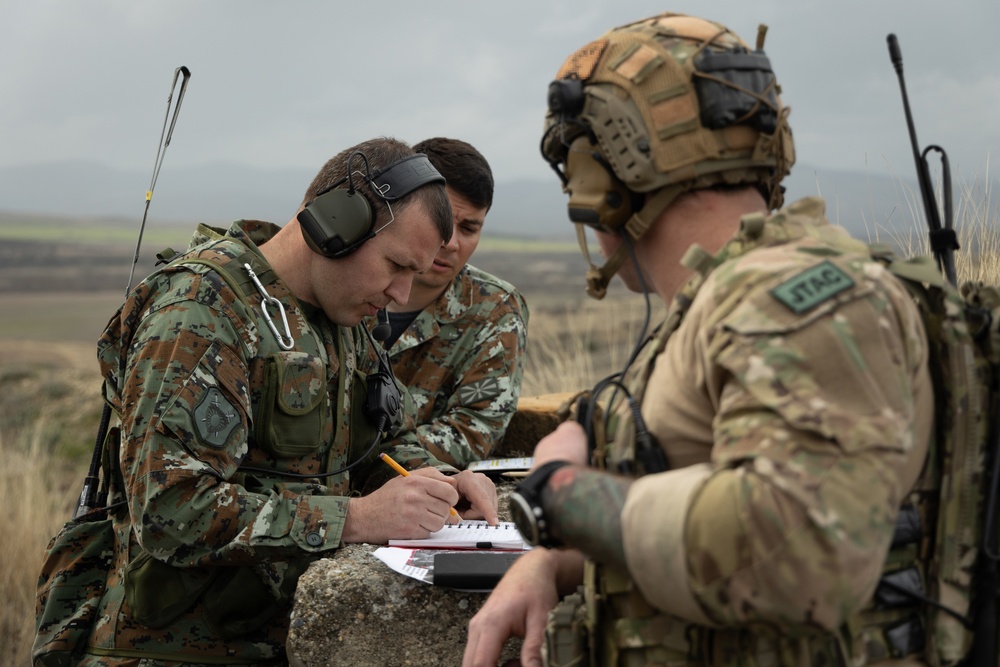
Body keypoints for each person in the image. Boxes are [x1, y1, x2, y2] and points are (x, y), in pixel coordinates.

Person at [464, 12, 938, 667]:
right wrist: (554, 559)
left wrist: (561, 496)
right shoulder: (724, 300)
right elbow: (681, 458)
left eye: (577, 165)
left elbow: (805, 553)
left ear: (606, 177)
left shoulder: (797, 298)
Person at [63, 137, 498, 665]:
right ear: (336, 225)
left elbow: (367, 451)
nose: (401, 295)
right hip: (175, 651)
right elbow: (169, 509)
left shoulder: (339, 319)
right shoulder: (201, 311)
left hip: (283, 639)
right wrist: (356, 519)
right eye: (396, 266)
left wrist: (436, 483)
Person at [379, 137, 529, 467]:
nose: (451, 242)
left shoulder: (495, 309)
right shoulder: (350, 278)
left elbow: (475, 429)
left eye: (470, 228)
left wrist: (367, 453)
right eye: (442, 220)